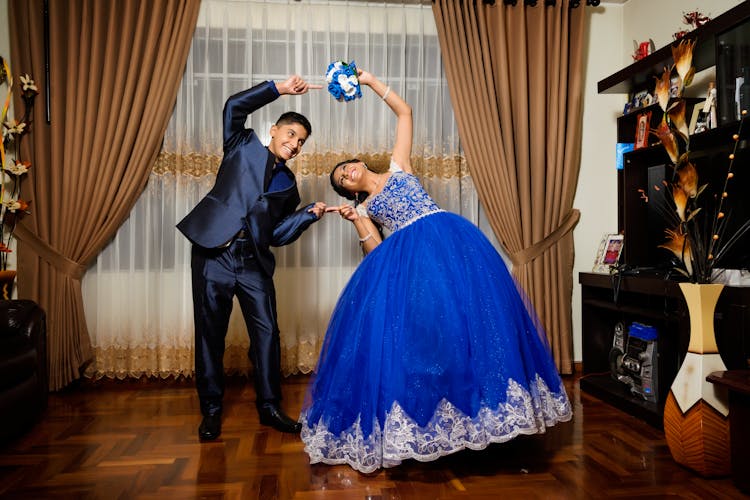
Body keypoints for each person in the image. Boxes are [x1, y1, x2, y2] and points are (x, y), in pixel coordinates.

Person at [299, 69, 572, 473]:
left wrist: (371, 81)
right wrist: (358, 221)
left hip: (450, 240)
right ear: (350, 192)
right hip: (411, 261)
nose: (347, 175)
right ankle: (436, 420)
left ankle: (484, 418)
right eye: (341, 181)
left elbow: (405, 113)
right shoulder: (367, 208)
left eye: (346, 168)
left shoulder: (399, 165)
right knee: (428, 334)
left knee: (474, 324)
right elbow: (377, 251)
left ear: (358, 162)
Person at [177, 75, 326, 440]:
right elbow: (234, 106)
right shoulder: (240, 144)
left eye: (301, 142)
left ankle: (269, 407)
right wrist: (278, 88)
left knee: (267, 334)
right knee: (210, 334)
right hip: (215, 253)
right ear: (274, 131)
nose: (295, 145)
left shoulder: (288, 187)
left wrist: (307, 215)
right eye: (291, 135)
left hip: (253, 263)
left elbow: (274, 235)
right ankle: (211, 411)